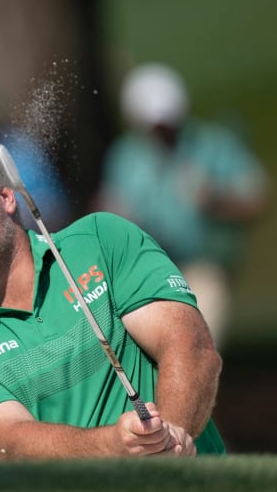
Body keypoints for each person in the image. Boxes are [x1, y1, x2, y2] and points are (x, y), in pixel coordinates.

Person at [0, 132, 224, 461]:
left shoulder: (102, 241)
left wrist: (172, 443)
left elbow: (187, 344)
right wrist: (113, 446)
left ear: (5, 195)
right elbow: (7, 441)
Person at [100, 63, 268, 350]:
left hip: (202, 267)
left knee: (197, 346)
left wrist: (214, 199)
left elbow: (257, 199)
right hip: (146, 272)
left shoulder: (211, 145)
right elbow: (111, 209)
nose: (163, 132)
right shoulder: (126, 157)